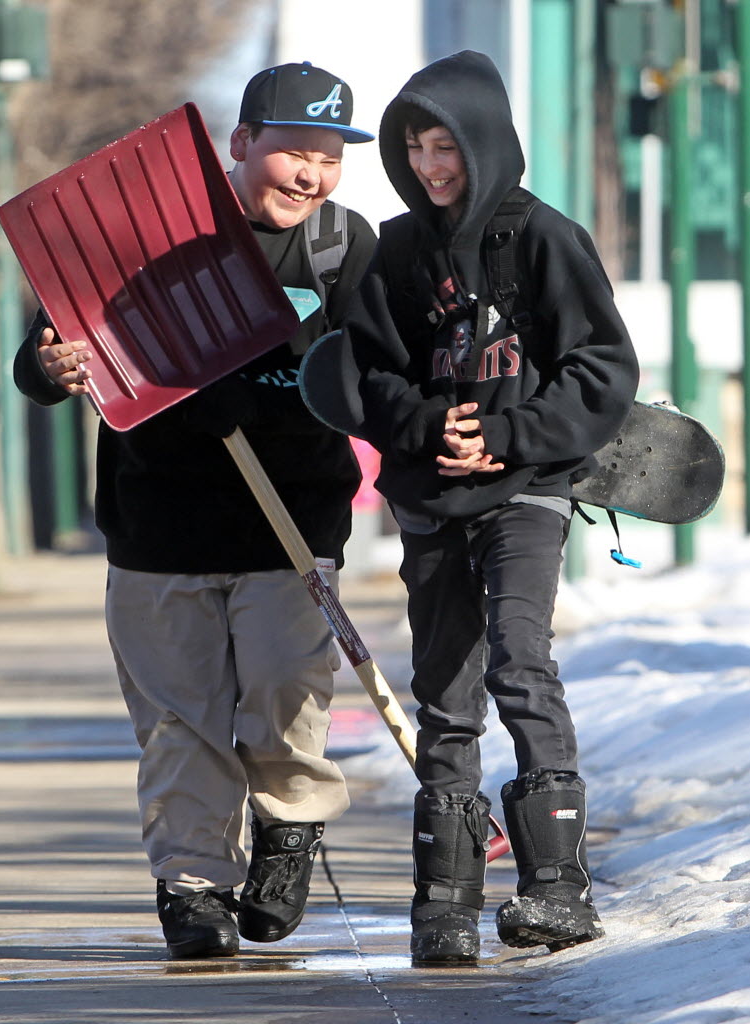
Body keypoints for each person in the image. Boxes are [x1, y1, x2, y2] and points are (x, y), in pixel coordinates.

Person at [13, 61, 377, 959]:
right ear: (240, 142)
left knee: (286, 701)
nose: (311, 174)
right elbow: (48, 357)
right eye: (293, 151)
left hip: (291, 525)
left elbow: (371, 376)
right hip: (158, 528)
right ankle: (193, 886)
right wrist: (51, 368)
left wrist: (271, 403)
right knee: (181, 723)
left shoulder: (342, 245)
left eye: (329, 156)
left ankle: (288, 829)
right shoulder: (148, 234)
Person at [299, 51, 640, 962]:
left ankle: (556, 889)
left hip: (526, 489)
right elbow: (365, 373)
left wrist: (508, 435)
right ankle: (443, 907)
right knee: (444, 693)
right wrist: (422, 425)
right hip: (431, 496)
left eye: (444, 145)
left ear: (481, 140)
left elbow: (600, 369)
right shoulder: (397, 250)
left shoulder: (545, 238)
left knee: (519, 661)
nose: (429, 166)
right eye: (414, 148)